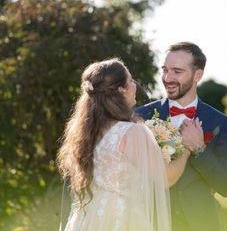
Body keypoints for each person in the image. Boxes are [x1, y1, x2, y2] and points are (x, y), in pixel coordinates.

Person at [57, 58, 190, 231]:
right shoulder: (131, 132)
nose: (135, 85)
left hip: (88, 217)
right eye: (131, 81)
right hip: (122, 220)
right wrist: (187, 145)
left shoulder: (85, 131)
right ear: (121, 91)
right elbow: (165, 178)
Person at [135, 41, 227, 231]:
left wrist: (199, 148)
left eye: (177, 71)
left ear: (197, 75)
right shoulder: (141, 116)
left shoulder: (218, 121)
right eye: (165, 70)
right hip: (151, 222)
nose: (167, 78)